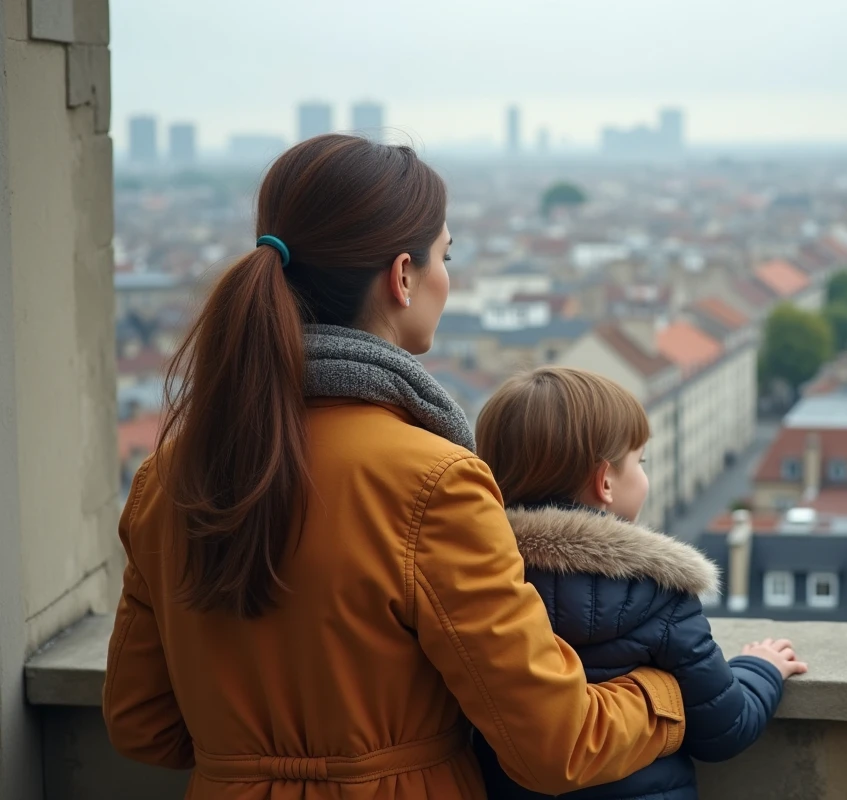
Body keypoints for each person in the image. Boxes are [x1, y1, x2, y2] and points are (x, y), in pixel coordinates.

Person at [102, 134, 691, 800]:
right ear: (402, 276)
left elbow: (143, 725)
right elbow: (556, 743)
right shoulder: (435, 482)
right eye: (447, 255)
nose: (450, 276)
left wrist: (251, 752)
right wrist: (667, 693)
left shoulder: (169, 476)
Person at [473, 367, 808, 800]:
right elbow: (725, 728)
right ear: (606, 481)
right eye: (640, 462)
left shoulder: (475, 583)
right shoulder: (657, 595)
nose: (645, 475)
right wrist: (760, 668)